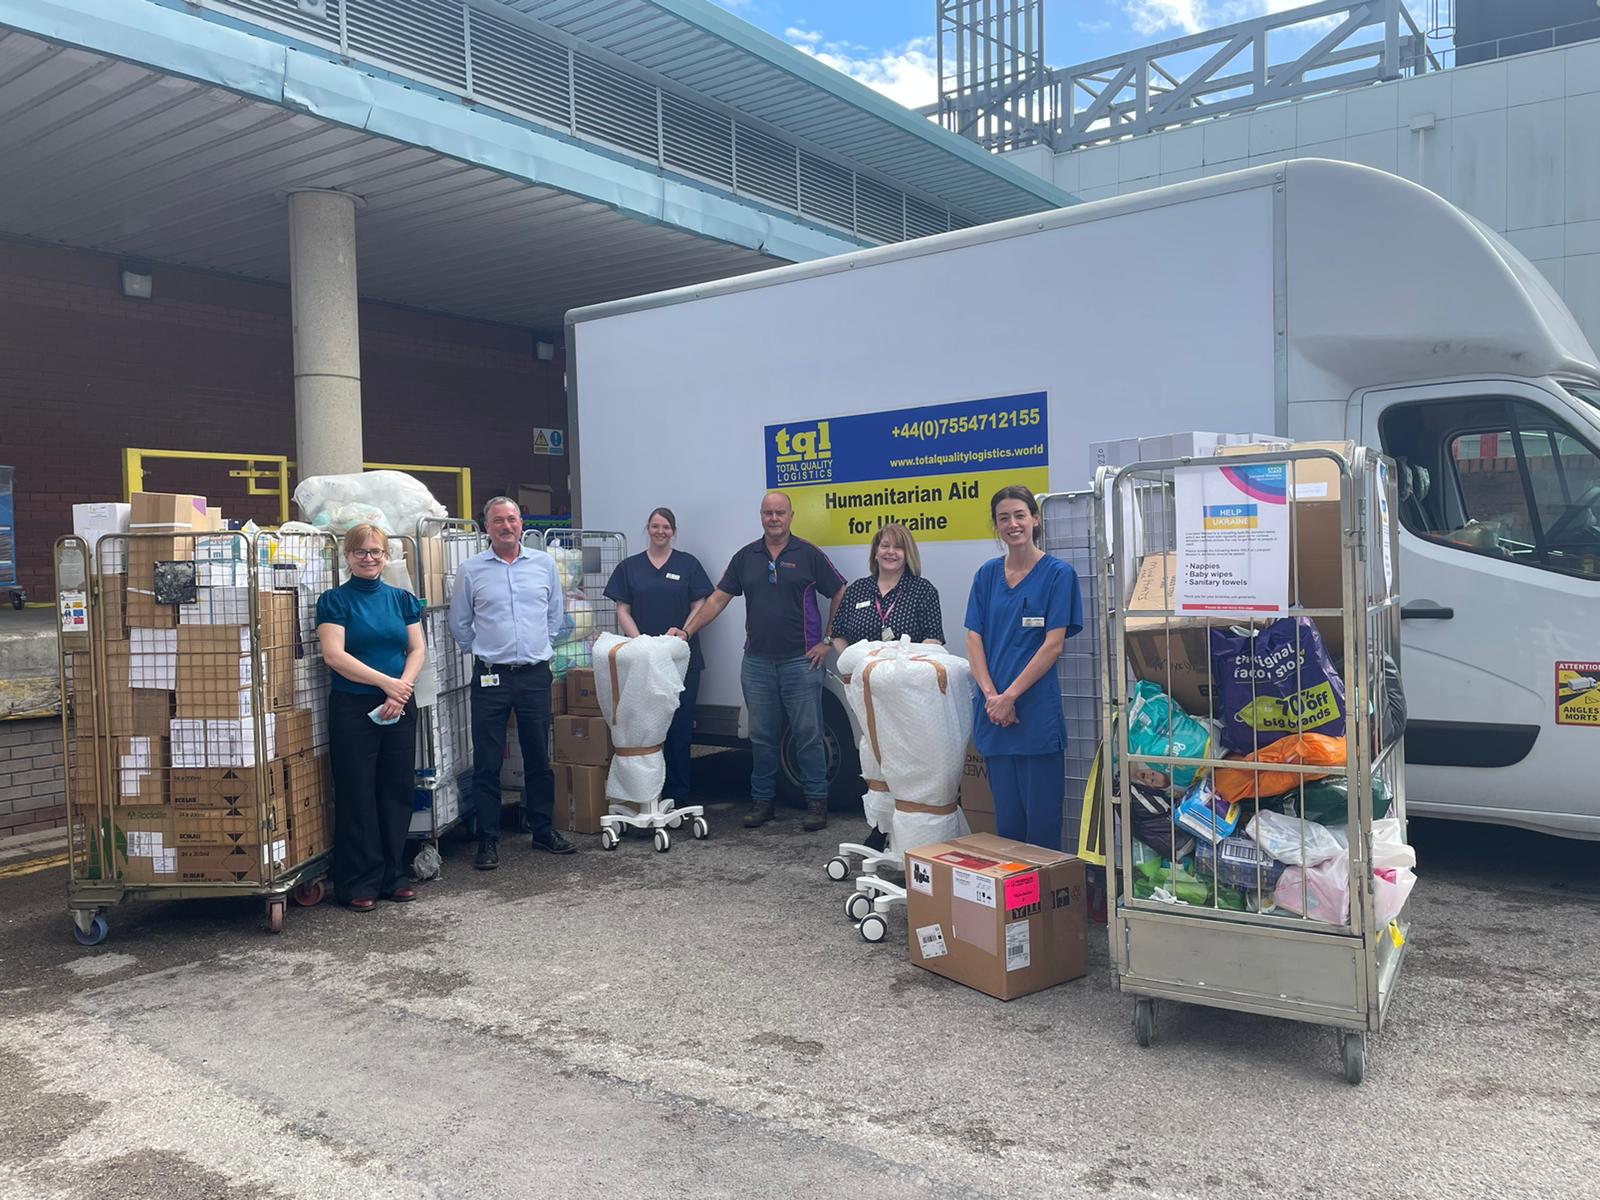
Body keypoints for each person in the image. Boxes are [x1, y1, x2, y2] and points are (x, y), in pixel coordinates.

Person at [680, 491, 845, 831]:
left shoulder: (809, 554)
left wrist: (828, 640)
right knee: (762, 735)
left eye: (780, 513)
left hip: (802, 661)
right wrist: (686, 632)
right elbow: (717, 600)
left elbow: (841, 590)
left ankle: (816, 804)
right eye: (768, 512)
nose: (774, 518)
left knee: (807, 734)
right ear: (761, 516)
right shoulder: (746, 557)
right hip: (756, 663)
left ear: (791, 516)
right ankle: (762, 803)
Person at [449, 496, 574, 870]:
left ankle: (543, 831)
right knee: (487, 761)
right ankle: (488, 841)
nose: (506, 526)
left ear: (522, 524)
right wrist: (483, 651)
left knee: (538, 756)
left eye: (513, 519)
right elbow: (459, 622)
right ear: (486, 527)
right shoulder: (470, 570)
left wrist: (542, 646)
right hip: (491, 676)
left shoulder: (543, 564)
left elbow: (556, 614)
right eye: (498, 520)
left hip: (535, 674)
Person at [964, 486, 1083, 850]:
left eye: (1019, 515)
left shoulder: (1058, 575)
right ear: (996, 526)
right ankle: (1015, 906)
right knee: (1009, 825)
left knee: (1042, 829)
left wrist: (1010, 696)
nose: (1012, 524)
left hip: (1034, 718)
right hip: (996, 716)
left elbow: (1053, 644)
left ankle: (1046, 906)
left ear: (1035, 519)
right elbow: (973, 638)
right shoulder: (986, 575)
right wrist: (992, 697)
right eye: (1004, 518)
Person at [316, 524, 426, 911]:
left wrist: (403, 688)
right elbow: (335, 656)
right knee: (357, 792)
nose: (368, 558)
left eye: (376, 552)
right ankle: (357, 882)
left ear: (386, 556)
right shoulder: (334, 601)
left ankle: (393, 876)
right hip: (354, 707)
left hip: (400, 705)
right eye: (360, 552)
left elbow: (417, 649)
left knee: (395, 791)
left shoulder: (402, 599)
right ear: (347, 557)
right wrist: (388, 685)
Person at [603, 507, 715, 805]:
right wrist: (640, 644)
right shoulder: (630, 567)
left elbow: (701, 603)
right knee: (644, 731)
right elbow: (622, 609)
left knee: (679, 729)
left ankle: (678, 795)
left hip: (680, 660)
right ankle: (646, 795)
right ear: (648, 529)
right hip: (641, 663)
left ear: (673, 531)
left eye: (666, 527)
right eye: (655, 526)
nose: (660, 531)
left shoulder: (688, 564)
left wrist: (684, 634)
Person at [829, 522, 944, 652]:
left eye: (898, 547)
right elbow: (838, 633)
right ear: (876, 553)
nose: (891, 551)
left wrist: (908, 666)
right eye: (885, 546)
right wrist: (850, 665)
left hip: (907, 670)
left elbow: (933, 637)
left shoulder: (923, 590)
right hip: (863, 671)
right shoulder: (856, 589)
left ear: (907, 555)